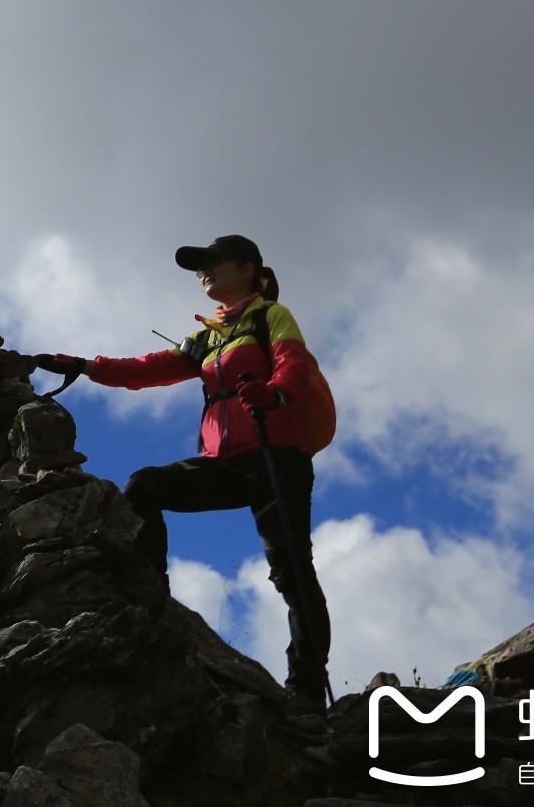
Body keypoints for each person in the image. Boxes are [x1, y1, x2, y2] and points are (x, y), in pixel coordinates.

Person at [34, 234, 333, 715]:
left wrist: (275, 394)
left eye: (214, 263)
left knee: (292, 573)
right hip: (225, 462)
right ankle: (152, 603)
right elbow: (147, 369)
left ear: (249, 269)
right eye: (201, 266)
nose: (204, 272)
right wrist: (84, 365)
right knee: (144, 485)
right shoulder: (208, 337)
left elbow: (292, 365)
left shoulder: (270, 316)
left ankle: (306, 691)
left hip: (277, 457)